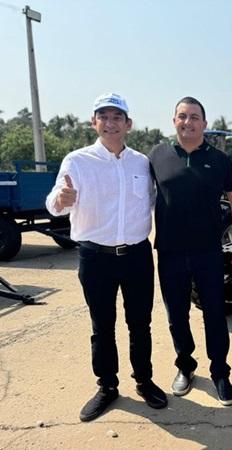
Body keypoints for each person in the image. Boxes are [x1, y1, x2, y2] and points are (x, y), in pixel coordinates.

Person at [46, 93, 167, 422]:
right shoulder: (77, 161)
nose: (111, 123)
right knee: (102, 326)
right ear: (94, 122)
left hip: (137, 256)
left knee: (140, 324)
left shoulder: (142, 162)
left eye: (118, 117)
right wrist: (62, 197)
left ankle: (144, 380)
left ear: (128, 124)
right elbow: (54, 203)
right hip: (95, 257)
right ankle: (107, 387)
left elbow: (160, 202)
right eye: (104, 116)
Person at [148, 96, 232, 406]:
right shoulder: (156, 156)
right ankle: (185, 367)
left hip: (207, 252)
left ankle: (220, 372)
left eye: (194, 117)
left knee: (215, 314)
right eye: (182, 116)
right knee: (176, 315)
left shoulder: (218, 160)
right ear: (174, 121)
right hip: (170, 252)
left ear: (204, 123)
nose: (187, 121)